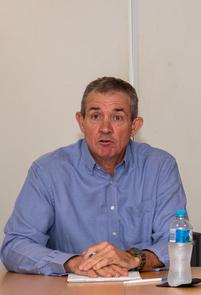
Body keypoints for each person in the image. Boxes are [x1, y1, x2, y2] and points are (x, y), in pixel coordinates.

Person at [1, 77, 187, 276]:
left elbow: (177, 240)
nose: (105, 128)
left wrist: (134, 259)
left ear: (134, 126)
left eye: (117, 118)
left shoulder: (159, 167)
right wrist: (72, 263)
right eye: (96, 116)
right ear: (81, 122)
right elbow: (15, 245)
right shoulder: (48, 171)